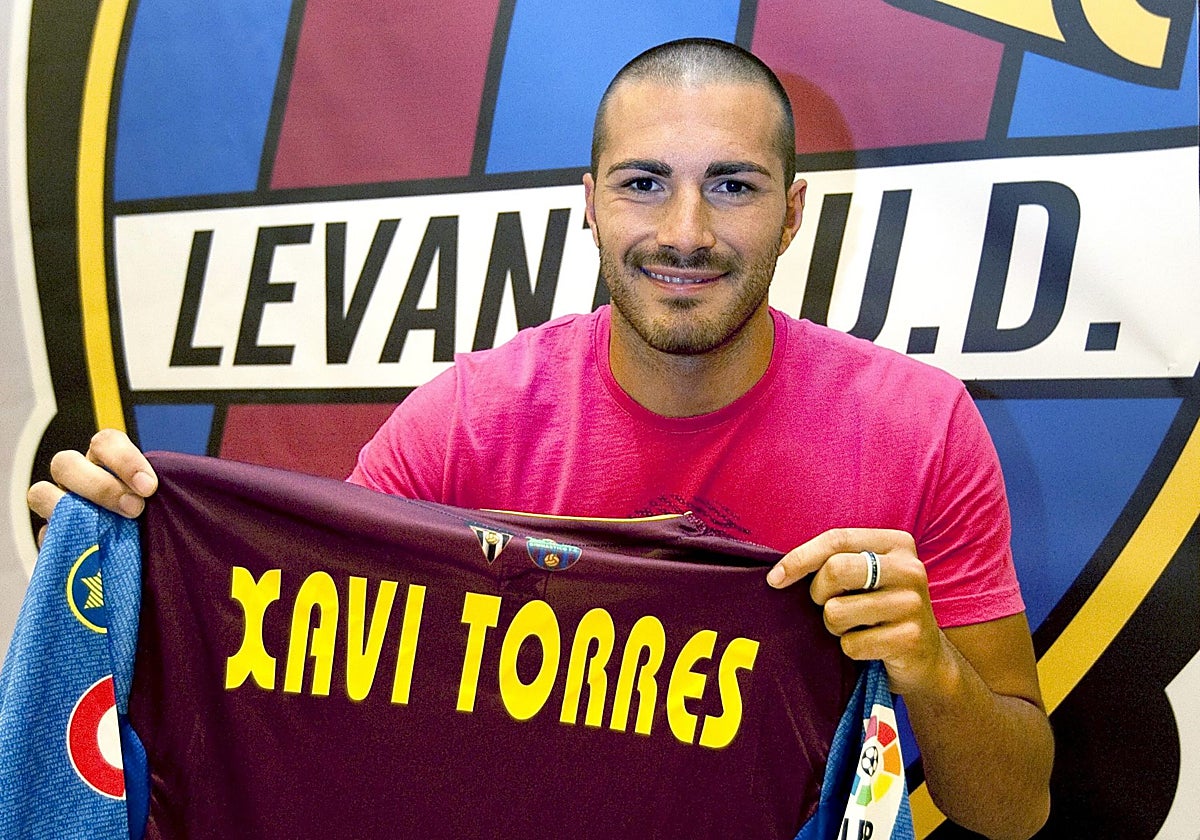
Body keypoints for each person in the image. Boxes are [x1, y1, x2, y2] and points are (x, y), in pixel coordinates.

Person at [27, 38, 1052, 840]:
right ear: (590, 206)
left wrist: (933, 673)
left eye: (733, 185)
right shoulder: (465, 423)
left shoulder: (918, 427)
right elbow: (301, 683)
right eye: (644, 182)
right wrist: (128, 562)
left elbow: (1016, 809)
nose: (686, 230)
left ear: (792, 215)